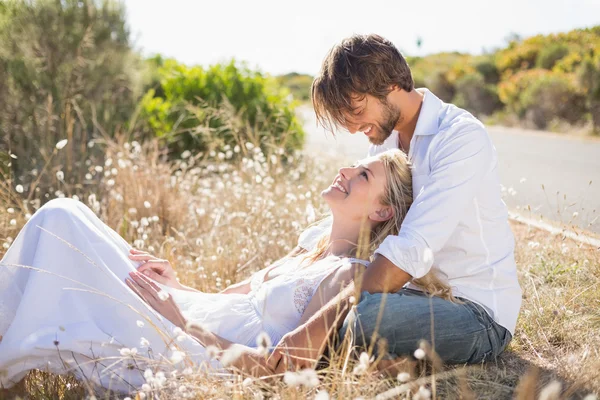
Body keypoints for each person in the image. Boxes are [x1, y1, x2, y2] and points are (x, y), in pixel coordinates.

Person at [0, 148, 423, 394]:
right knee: (69, 219)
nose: (346, 171)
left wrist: (182, 319)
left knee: (62, 221)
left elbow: (283, 373)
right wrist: (179, 287)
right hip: (184, 315)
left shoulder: (348, 276)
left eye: (364, 175)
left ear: (381, 210)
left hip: (194, 348)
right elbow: (234, 301)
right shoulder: (309, 249)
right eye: (355, 165)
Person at [267, 34, 522, 372]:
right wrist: (297, 270)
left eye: (356, 110)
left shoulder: (460, 137)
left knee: (354, 319)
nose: (353, 126)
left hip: (474, 310)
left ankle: (373, 362)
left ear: (390, 85)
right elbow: (360, 219)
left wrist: (317, 325)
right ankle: (391, 363)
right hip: (409, 294)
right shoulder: (385, 139)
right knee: (314, 297)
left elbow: (411, 249)